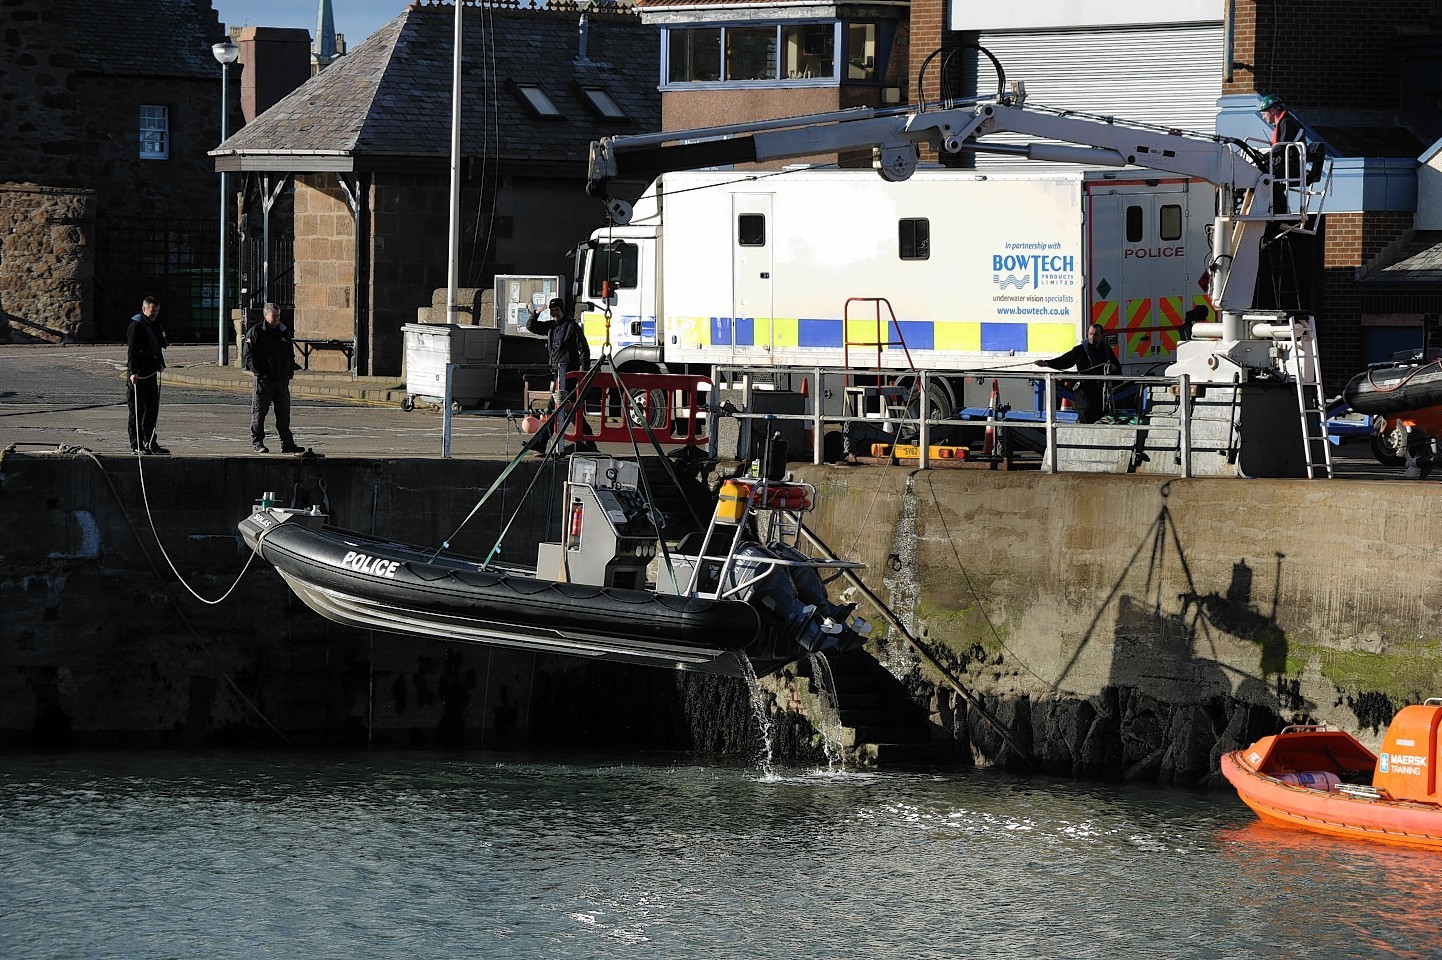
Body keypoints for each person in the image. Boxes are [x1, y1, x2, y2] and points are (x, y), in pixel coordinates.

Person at [526, 298, 592, 452]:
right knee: (568, 410)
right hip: (557, 374)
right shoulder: (551, 327)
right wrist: (536, 313)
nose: (554, 313)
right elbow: (532, 326)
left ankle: (541, 442)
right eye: (552, 311)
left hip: (569, 374)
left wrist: (582, 373)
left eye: (557, 310)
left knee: (555, 408)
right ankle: (588, 442)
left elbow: (584, 350)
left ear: (563, 310)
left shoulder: (572, 327)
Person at [243, 302, 302, 454]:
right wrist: (260, 373)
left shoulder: (283, 331)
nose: (277, 318)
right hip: (264, 381)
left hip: (281, 381)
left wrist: (289, 372)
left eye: (278, 315)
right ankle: (257, 442)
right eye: (274, 315)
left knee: (283, 413)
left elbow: (289, 353)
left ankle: (287, 443)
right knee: (259, 412)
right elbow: (248, 356)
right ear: (265, 316)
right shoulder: (256, 331)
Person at [1039, 322, 1121, 425]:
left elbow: (1117, 368)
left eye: (1095, 334)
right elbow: (1065, 360)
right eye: (1090, 334)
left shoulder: (1106, 350)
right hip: (1085, 393)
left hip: (1100, 394)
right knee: (1087, 418)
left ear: (1101, 336)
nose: (1092, 337)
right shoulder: (1080, 350)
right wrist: (1047, 363)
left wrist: (1113, 368)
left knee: (1100, 420)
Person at [126, 295, 169, 454]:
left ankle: (150, 441)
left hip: (151, 374)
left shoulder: (155, 325)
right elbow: (132, 351)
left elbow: (156, 347)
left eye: (156, 311)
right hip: (139, 375)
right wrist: (133, 371)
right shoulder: (136, 326)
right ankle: (136, 445)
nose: (154, 314)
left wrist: (161, 363)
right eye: (152, 312)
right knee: (137, 411)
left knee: (152, 410)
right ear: (144, 309)